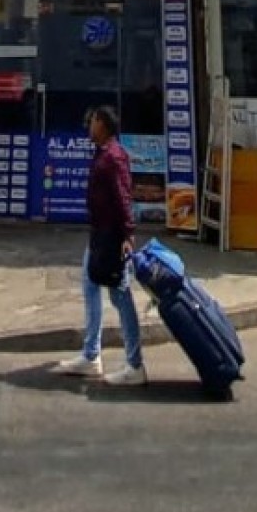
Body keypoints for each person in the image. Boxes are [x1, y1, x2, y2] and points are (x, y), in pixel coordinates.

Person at [57, 106, 146, 387]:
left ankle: (135, 365)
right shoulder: (103, 153)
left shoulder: (113, 157)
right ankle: (91, 355)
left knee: (120, 296)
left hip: (112, 238)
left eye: (94, 121)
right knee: (89, 285)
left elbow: (123, 197)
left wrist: (128, 235)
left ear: (104, 125)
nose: (89, 125)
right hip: (99, 236)